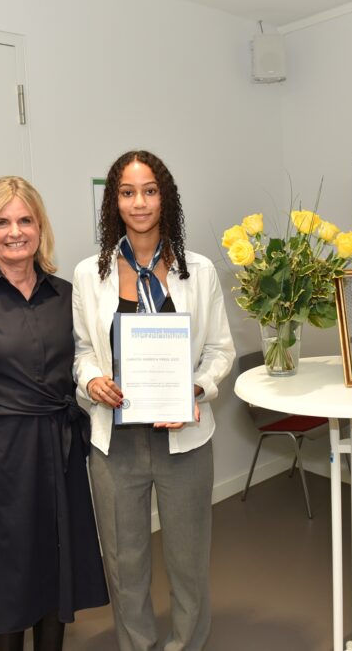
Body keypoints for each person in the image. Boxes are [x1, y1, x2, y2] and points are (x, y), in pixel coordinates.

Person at [0, 176, 108, 651]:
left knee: (55, 563)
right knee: (5, 573)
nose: (15, 232)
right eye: (2, 222)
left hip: (59, 450)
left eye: (25, 220)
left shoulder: (66, 295)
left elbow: (84, 365)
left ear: (40, 228)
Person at [72, 150, 235, 651]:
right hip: (115, 443)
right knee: (126, 565)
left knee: (189, 561)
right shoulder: (89, 274)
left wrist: (195, 388)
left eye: (149, 191)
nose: (139, 202)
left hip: (183, 439)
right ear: (113, 202)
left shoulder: (198, 271)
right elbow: (82, 350)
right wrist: (92, 382)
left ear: (165, 198)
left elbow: (220, 350)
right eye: (127, 192)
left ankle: (187, 644)